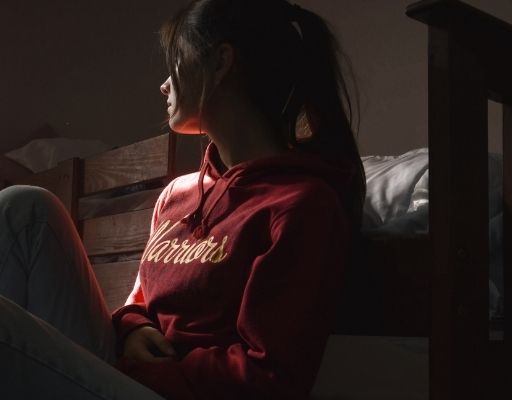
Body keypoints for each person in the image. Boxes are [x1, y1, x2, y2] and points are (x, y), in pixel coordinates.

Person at [0, 0, 365, 398]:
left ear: (220, 63)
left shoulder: (300, 205)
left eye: (175, 60)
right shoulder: (177, 194)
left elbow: (267, 377)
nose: (163, 84)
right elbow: (139, 301)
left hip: (176, 392)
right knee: (26, 208)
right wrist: (133, 327)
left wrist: (143, 372)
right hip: (128, 376)